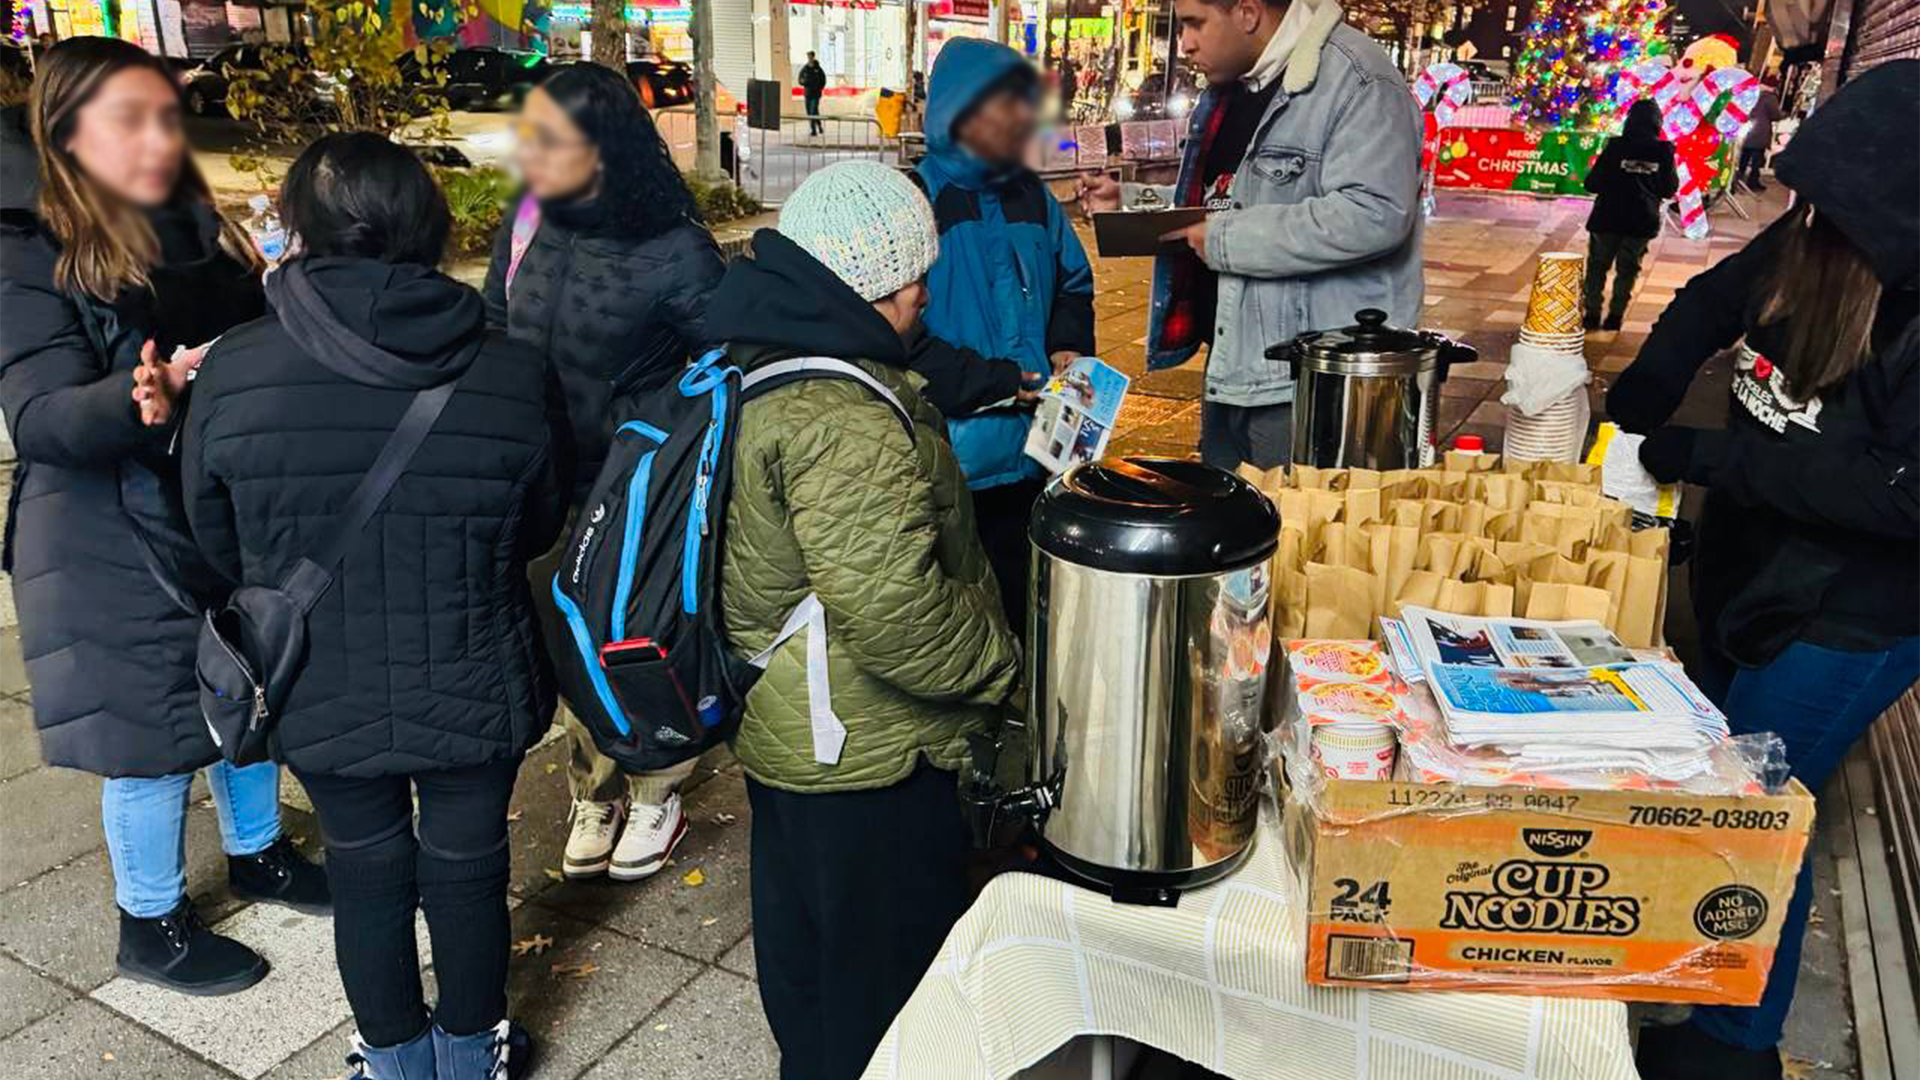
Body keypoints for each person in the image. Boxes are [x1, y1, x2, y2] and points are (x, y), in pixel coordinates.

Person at [178, 132, 569, 1080]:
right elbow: (541, 518)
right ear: (432, 225)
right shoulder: (512, 365)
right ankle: (473, 1055)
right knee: (470, 868)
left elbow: (213, 536)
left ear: (301, 230)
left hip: (317, 678)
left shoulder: (235, 368)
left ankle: (393, 1062)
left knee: (365, 870)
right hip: (475, 668)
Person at [1609, 59, 1919, 1080]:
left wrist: (1711, 458)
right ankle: (1698, 981)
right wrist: (1648, 389)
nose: (1807, 216)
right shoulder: (1820, 236)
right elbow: (1711, 299)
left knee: (1759, 812)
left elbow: (1896, 495)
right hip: (1764, 561)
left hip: (1855, 610)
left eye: (1832, 201)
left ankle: (1734, 1048)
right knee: (1731, 788)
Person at [0, 36, 325, 998]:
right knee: (148, 739)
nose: (155, 137)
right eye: (127, 119)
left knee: (248, 688)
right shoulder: (26, 244)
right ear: (65, 131)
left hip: (207, 503)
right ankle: (151, 924)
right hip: (106, 530)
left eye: (165, 115)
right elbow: (41, 415)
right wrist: (138, 396)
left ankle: (260, 855)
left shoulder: (190, 216)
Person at [706, 161, 1022, 1080]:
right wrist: (1003, 664)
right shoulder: (840, 415)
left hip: (794, 730)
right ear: (874, 285)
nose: (924, 295)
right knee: (883, 992)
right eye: (912, 276)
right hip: (867, 754)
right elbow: (897, 615)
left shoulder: (759, 344)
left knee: (809, 963)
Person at [481, 61, 724, 884]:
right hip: (541, 477)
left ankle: (657, 784)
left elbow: (717, 366)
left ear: (604, 147)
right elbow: (489, 319)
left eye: (552, 138)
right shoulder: (526, 225)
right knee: (563, 640)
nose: (532, 154)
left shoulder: (675, 249)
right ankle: (597, 786)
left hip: (631, 492)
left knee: (632, 636)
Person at [1079, 0, 1423, 473]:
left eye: (1196, 23)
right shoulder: (1236, 88)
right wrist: (1133, 199)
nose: (1186, 44)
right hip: (1232, 362)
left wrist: (1223, 240)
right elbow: (1230, 195)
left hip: (1307, 382)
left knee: (1297, 535)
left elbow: (1374, 212)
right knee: (1234, 533)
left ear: (1246, 12)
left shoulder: (1359, 80)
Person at [913, 37, 1095, 632]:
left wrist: (1068, 341)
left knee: (1034, 598)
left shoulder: (1032, 198)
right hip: (955, 461)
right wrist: (993, 382)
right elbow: (894, 335)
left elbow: (1073, 280)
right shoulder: (915, 200)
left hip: (1040, 454)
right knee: (963, 611)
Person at [1581, 98, 1678, 331]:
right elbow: (1669, 188)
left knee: (1597, 266)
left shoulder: (1616, 147)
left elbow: (1592, 183)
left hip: (1607, 217)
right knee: (1628, 269)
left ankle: (1592, 314)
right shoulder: (1663, 152)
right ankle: (1615, 317)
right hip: (1641, 220)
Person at [1736, 81, 1780, 191]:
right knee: (1757, 160)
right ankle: (1752, 182)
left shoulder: (1750, 93)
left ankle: (1737, 180)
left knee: (1744, 158)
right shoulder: (1770, 98)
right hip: (1761, 132)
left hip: (1748, 128)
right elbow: (1775, 115)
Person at [798, 50, 827, 136]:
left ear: (813, 57)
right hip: (808, 94)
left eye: (810, 56)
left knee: (812, 111)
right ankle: (819, 126)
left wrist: (819, 88)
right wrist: (804, 82)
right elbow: (800, 79)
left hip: (816, 94)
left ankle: (813, 130)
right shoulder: (805, 68)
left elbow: (823, 80)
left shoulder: (818, 69)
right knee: (812, 112)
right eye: (808, 57)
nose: (809, 58)